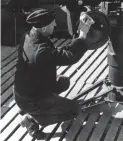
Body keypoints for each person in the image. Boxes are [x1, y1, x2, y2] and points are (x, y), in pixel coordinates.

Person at [14, 8, 94, 138]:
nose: (55, 25)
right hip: (31, 97)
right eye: (53, 23)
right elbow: (69, 56)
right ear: (44, 28)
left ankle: (30, 109)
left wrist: (77, 35)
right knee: (74, 110)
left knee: (63, 82)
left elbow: (58, 52)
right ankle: (31, 118)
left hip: (25, 89)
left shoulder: (29, 35)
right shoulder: (40, 52)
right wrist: (83, 35)